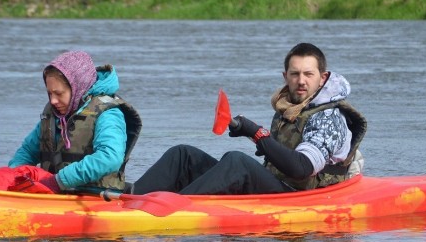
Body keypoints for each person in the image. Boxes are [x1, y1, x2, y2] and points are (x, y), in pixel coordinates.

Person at [132, 42, 365, 196]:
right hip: (279, 186)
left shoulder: (328, 116)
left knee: (237, 162)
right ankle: (130, 197)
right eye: (295, 74)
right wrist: (249, 132)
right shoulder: (289, 107)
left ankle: (175, 209)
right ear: (285, 76)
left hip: (302, 197)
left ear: (322, 78)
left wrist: (256, 133)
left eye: (308, 74)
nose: (301, 81)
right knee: (183, 155)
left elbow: (302, 168)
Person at [9, 50, 142, 193]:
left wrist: (59, 181)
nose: (53, 100)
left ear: (78, 88)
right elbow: (27, 151)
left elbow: (110, 157)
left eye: (59, 94)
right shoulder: (53, 115)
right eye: (50, 93)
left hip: (96, 198)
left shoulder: (108, 113)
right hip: (55, 195)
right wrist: (12, 177)